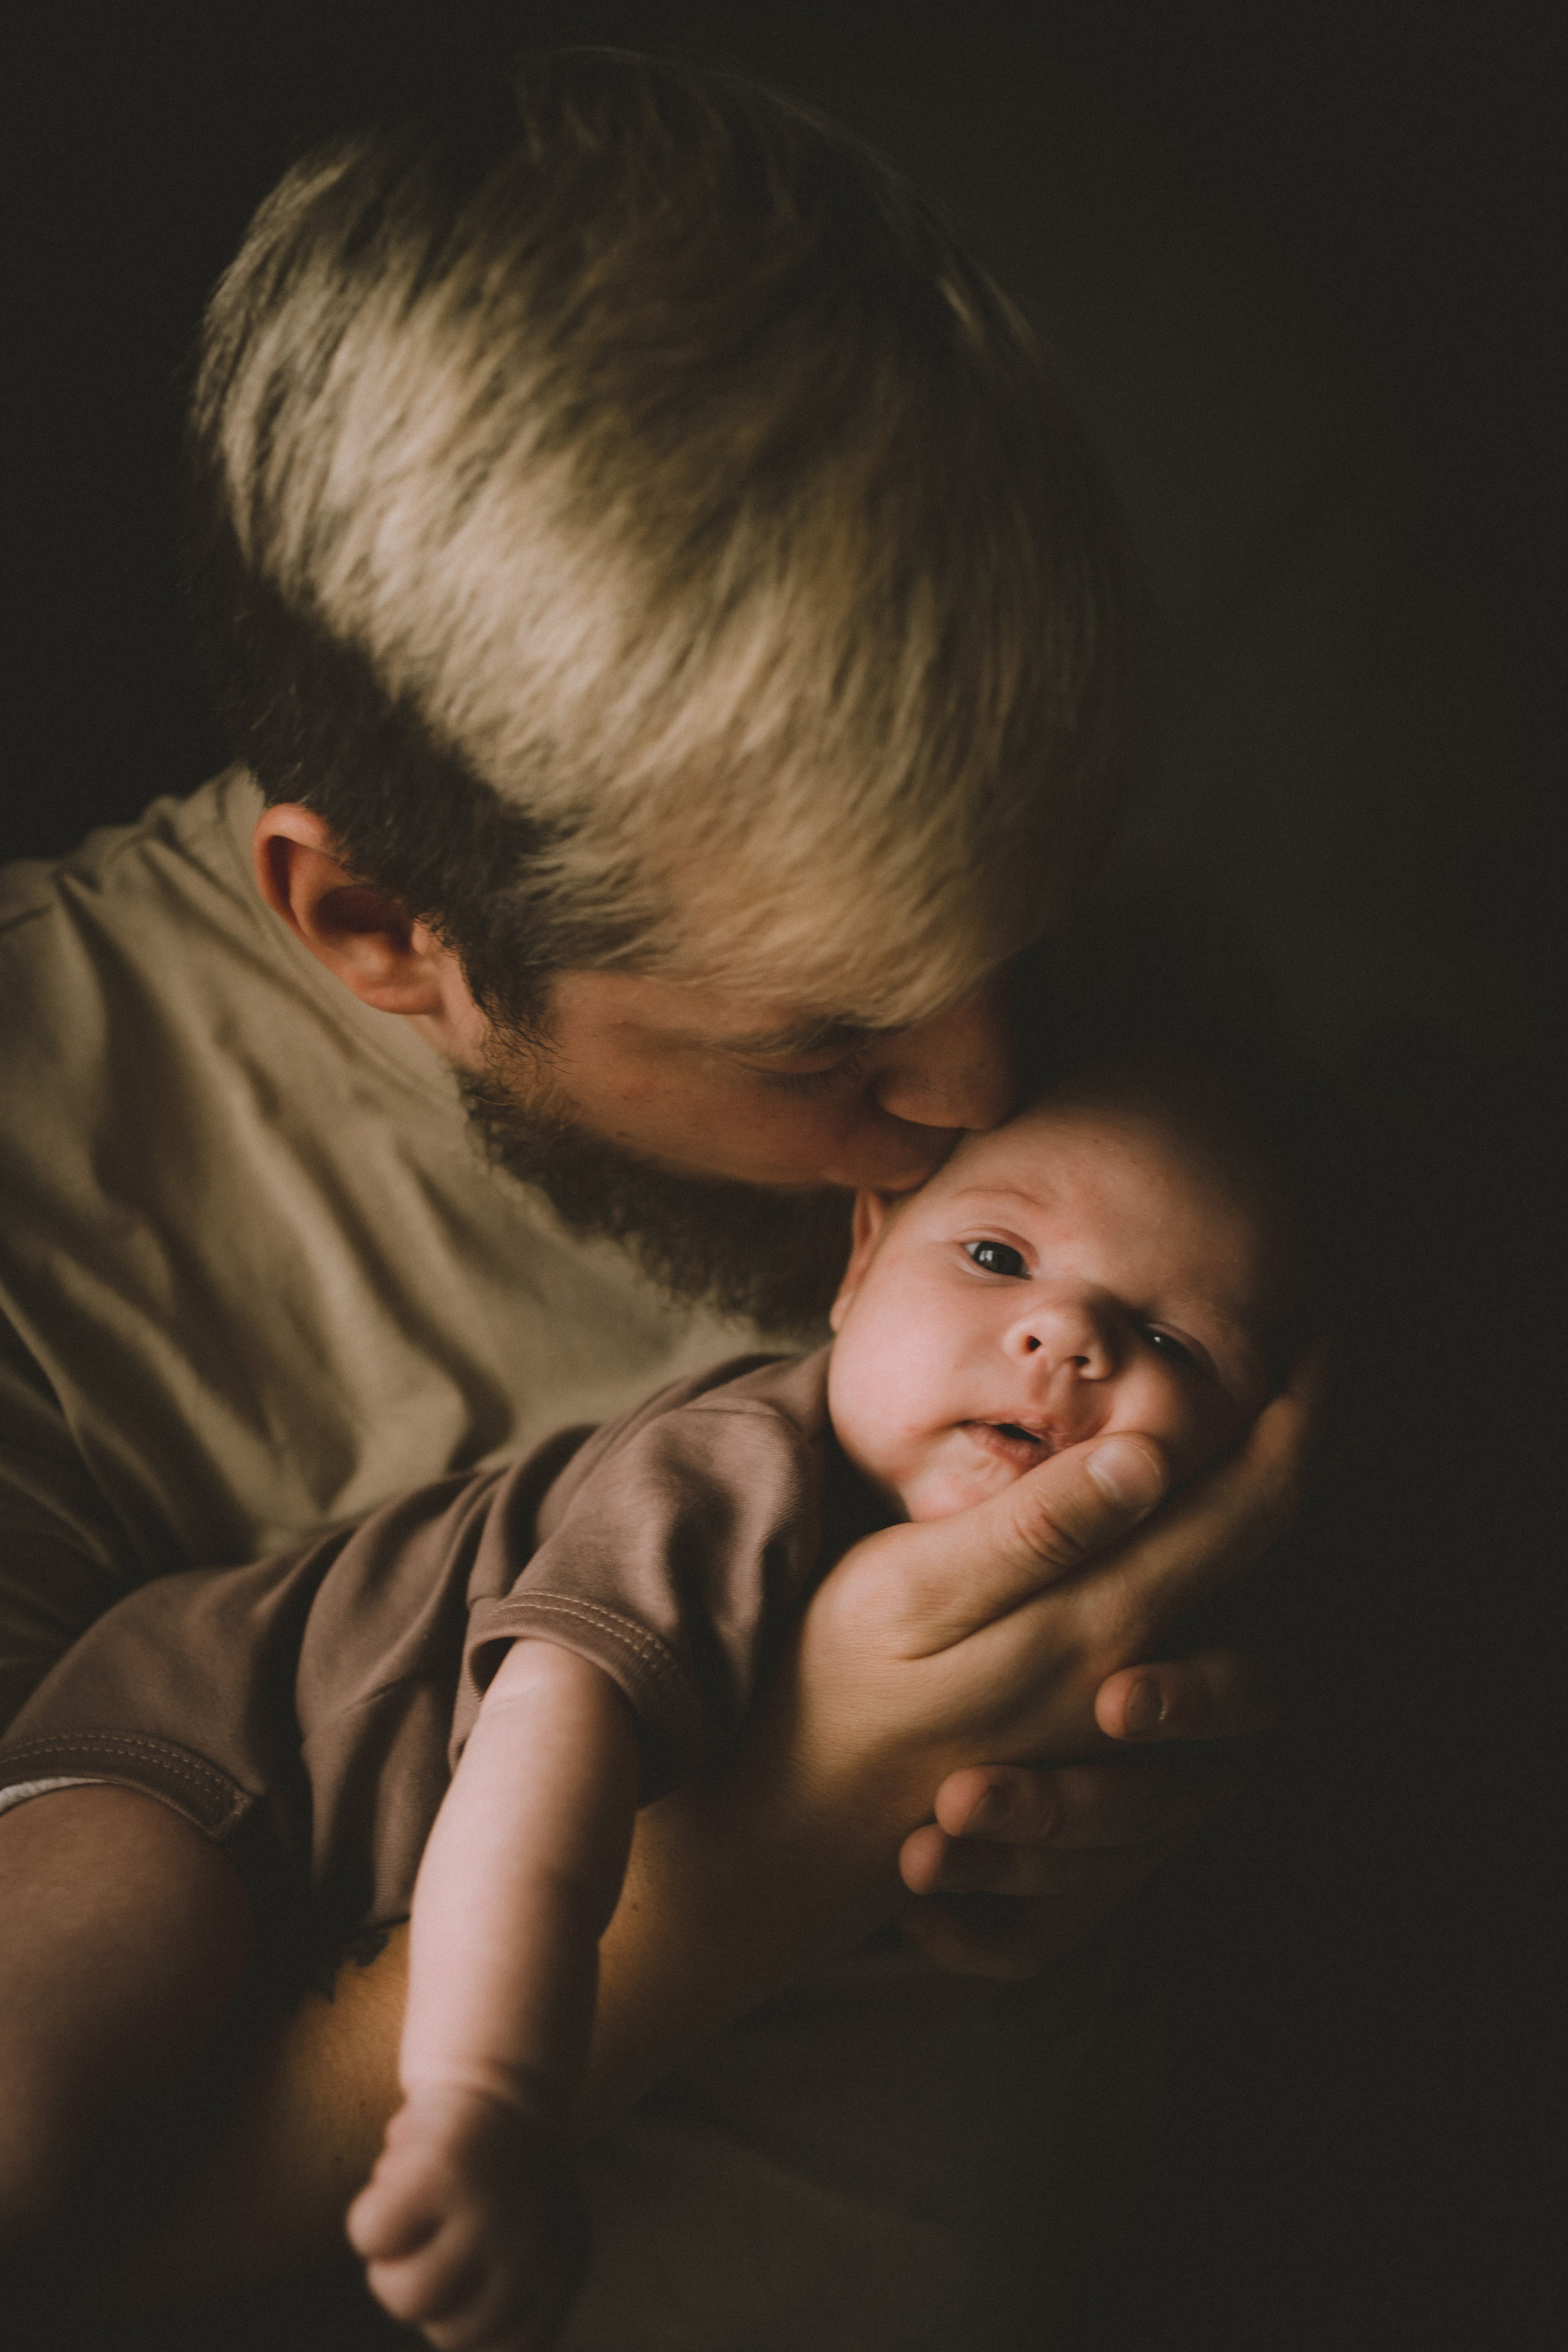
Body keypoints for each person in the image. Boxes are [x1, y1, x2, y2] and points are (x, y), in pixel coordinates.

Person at [0, 48, 1306, 2346]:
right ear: (380, 931)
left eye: (1008, 934)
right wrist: (809, 1815)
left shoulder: (1090, 961)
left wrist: (1182, 1735)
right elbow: (79, 2265)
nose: (979, 1084)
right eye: (825, 1036)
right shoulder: (48, 1185)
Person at [0, 1037, 1316, 2352]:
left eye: (1170, 1341)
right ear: (860, 1261)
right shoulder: (735, 1472)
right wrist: (488, 2100)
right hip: (201, 1765)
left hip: (369, 1897)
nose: (1064, 1336)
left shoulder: (1142, 1644)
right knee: (30, 2131)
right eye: (995, 1256)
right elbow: (540, 1757)